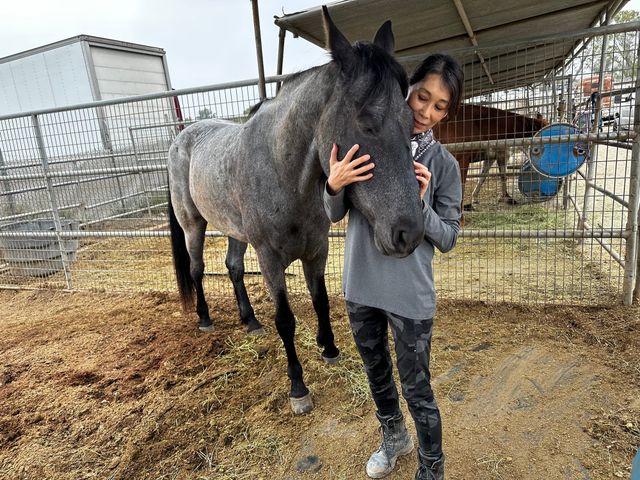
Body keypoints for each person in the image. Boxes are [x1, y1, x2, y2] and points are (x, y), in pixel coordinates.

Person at [323, 54, 463, 480]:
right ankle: (394, 437)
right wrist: (333, 185)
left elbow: (450, 236)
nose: (426, 110)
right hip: (361, 286)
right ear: (408, 88)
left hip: (409, 297)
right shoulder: (366, 139)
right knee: (377, 375)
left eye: (440, 106)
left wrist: (422, 206)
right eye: (422, 96)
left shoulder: (444, 166)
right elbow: (332, 213)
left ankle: (432, 467)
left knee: (417, 388)